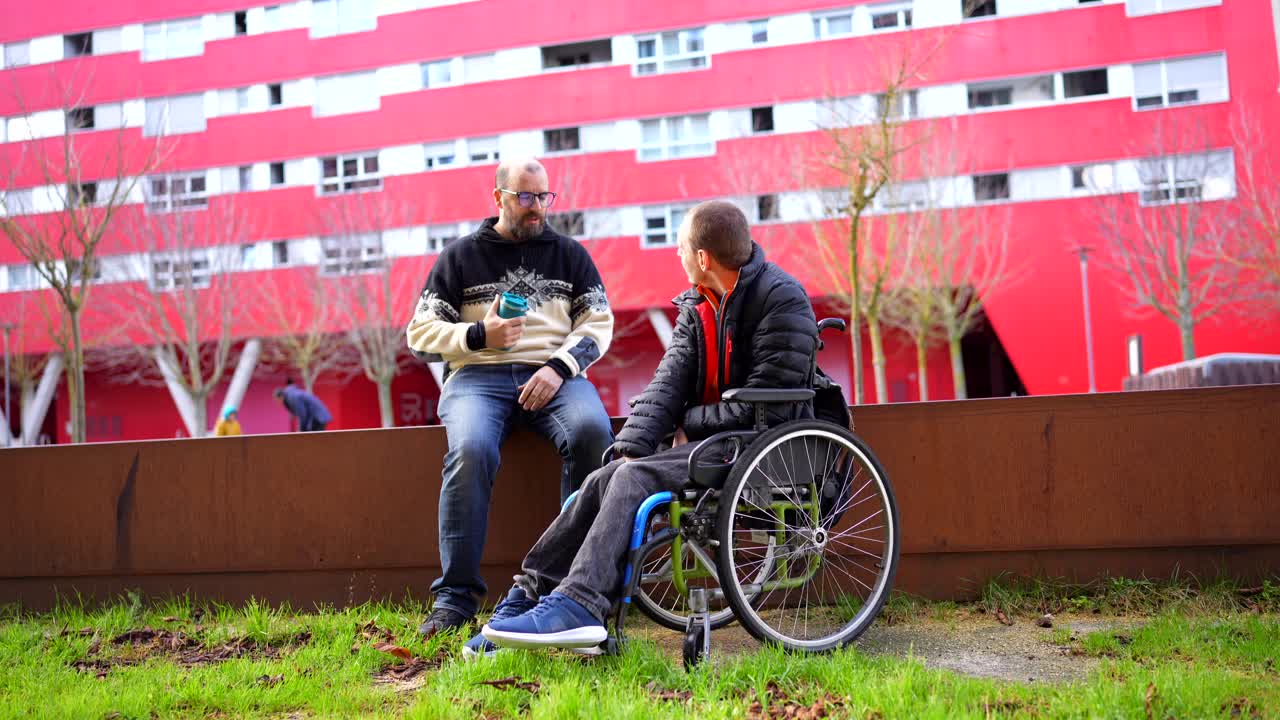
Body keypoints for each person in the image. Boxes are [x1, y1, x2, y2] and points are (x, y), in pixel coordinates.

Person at [465, 199, 818, 656]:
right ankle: (527, 597)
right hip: (719, 438)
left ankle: (580, 605)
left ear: (704, 258)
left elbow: (767, 403)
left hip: (760, 443)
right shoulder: (699, 303)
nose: (678, 256)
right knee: (607, 474)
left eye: (681, 249)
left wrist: (688, 424)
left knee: (634, 478)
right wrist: (631, 444)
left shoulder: (781, 299)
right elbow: (669, 381)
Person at [405, 157, 616, 638]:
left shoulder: (571, 255)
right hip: (477, 377)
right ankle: (455, 599)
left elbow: (599, 326)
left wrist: (559, 367)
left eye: (544, 196)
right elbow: (419, 336)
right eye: (525, 196)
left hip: (555, 375)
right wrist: (480, 335)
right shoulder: (459, 257)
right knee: (472, 448)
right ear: (498, 196)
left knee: (591, 433)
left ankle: (571, 589)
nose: (537, 207)